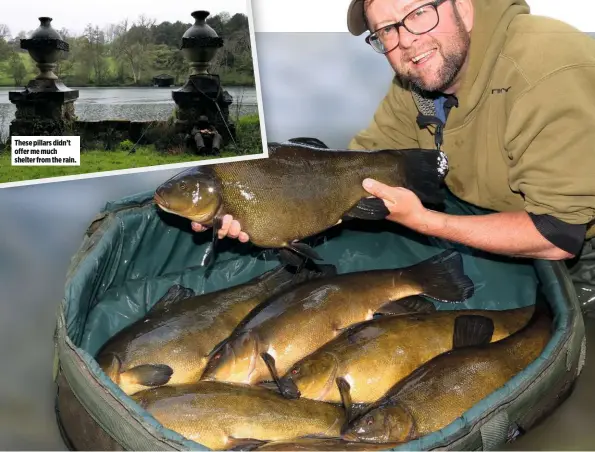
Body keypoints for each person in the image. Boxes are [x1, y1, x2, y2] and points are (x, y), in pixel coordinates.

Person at [191, 0, 595, 312]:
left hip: (577, 241)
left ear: (464, 7)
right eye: (386, 30)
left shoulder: (545, 71)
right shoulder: (419, 79)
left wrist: (427, 221)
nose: (405, 41)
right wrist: (281, 207)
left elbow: (558, 233)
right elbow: (360, 164)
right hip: (499, 215)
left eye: (417, 13)